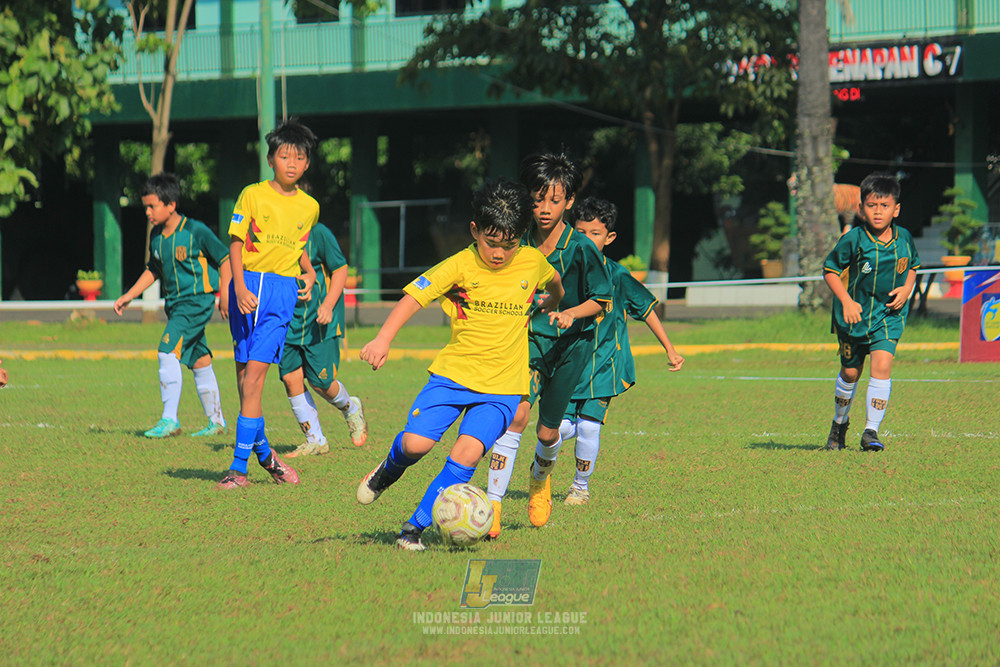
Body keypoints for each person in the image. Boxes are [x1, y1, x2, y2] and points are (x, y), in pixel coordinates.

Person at [354, 178, 566, 551]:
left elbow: (555, 281)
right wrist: (382, 338)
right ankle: (387, 470)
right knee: (416, 445)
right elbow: (412, 297)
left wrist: (552, 302)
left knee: (466, 455)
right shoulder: (459, 265)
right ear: (475, 230)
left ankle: (413, 529)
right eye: (491, 243)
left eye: (509, 244)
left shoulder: (532, 262)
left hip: (503, 386)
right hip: (453, 376)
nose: (500, 253)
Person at [485, 152, 613, 539]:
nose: (544, 208)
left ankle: (540, 482)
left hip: (572, 345)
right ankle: (492, 504)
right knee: (516, 415)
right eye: (537, 199)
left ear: (569, 202)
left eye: (554, 200)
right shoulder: (517, 241)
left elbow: (602, 300)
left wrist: (572, 313)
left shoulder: (581, 248)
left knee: (546, 433)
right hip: (527, 342)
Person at [559, 197, 685, 504]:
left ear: (609, 238)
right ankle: (541, 472)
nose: (586, 239)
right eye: (580, 232)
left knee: (588, 426)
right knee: (557, 429)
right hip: (567, 363)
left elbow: (647, 310)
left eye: (595, 233)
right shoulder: (561, 271)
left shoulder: (617, 276)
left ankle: (580, 487)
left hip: (605, 366)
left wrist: (669, 349)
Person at [216, 118, 319, 489]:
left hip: (280, 295)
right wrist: (238, 288)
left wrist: (307, 274)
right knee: (244, 382)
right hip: (248, 288)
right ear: (270, 159)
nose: (292, 163)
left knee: (255, 380)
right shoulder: (252, 195)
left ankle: (238, 470)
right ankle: (268, 458)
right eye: (284, 155)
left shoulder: (310, 207)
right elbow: (236, 243)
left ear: (307, 164)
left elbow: (299, 248)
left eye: (300, 157)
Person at [114, 172, 231, 439]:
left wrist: (224, 294)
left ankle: (170, 420)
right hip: (176, 305)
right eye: (145, 206)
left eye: (152, 206)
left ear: (171, 205)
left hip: (196, 302)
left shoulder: (195, 231)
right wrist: (129, 294)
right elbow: (153, 269)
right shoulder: (156, 235)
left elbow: (224, 258)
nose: (147, 212)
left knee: (167, 350)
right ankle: (217, 422)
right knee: (199, 359)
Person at [822, 171, 919, 452]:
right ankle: (839, 425)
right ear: (860, 208)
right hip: (854, 318)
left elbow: (912, 265)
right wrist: (847, 301)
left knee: (882, 367)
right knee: (851, 373)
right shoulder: (854, 239)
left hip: (888, 316)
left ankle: (870, 432)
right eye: (872, 206)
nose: (878, 212)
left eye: (884, 205)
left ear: (896, 209)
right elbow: (829, 270)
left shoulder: (904, 238)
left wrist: (906, 289)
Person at [280, 222, 368, 457]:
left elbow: (340, 269)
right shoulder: (274, 233)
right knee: (290, 377)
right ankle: (315, 440)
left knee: (320, 383)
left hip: (318, 320)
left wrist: (328, 305)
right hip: (286, 319)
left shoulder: (318, 232)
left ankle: (350, 407)